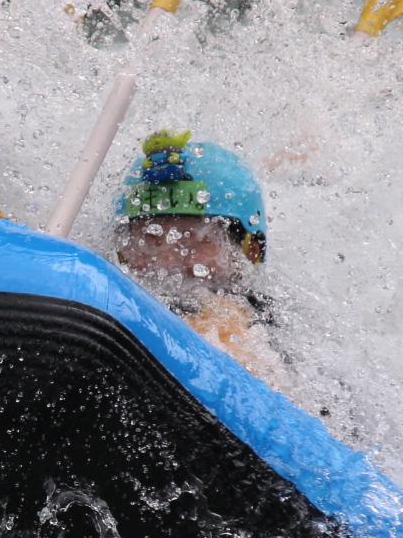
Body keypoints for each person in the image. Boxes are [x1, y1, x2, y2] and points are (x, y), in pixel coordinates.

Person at [116, 129, 290, 388]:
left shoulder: (268, 331)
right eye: (149, 241)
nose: (168, 261)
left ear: (249, 251)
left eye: (194, 241)